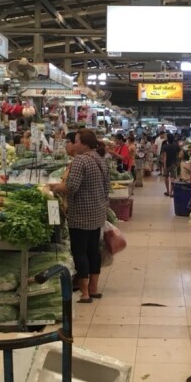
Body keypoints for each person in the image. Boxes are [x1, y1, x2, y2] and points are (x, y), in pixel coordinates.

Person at [49, 129, 110, 303]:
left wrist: (52, 187)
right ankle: (93, 288)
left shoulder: (80, 160)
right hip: (97, 212)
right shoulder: (100, 159)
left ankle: (84, 293)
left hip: (81, 214)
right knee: (93, 251)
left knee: (80, 251)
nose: (73, 145)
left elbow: (71, 187)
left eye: (75, 141)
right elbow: (107, 188)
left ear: (84, 144)